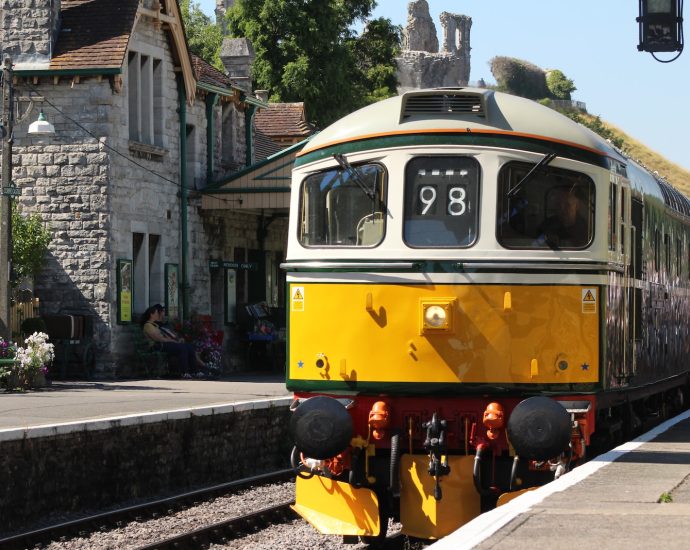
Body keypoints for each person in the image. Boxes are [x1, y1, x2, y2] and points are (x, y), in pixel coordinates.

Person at [140, 304, 207, 379]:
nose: (157, 315)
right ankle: (184, 372)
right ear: (151, 314)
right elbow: (158, 338)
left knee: (188, 347)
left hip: (163, 344)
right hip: (157, 346)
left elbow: (164, 336)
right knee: (182, 348)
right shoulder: (148, 325)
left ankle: (195, 371)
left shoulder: (155, 325)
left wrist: (174, 340)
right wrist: (173, 341)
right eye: (156, 313)